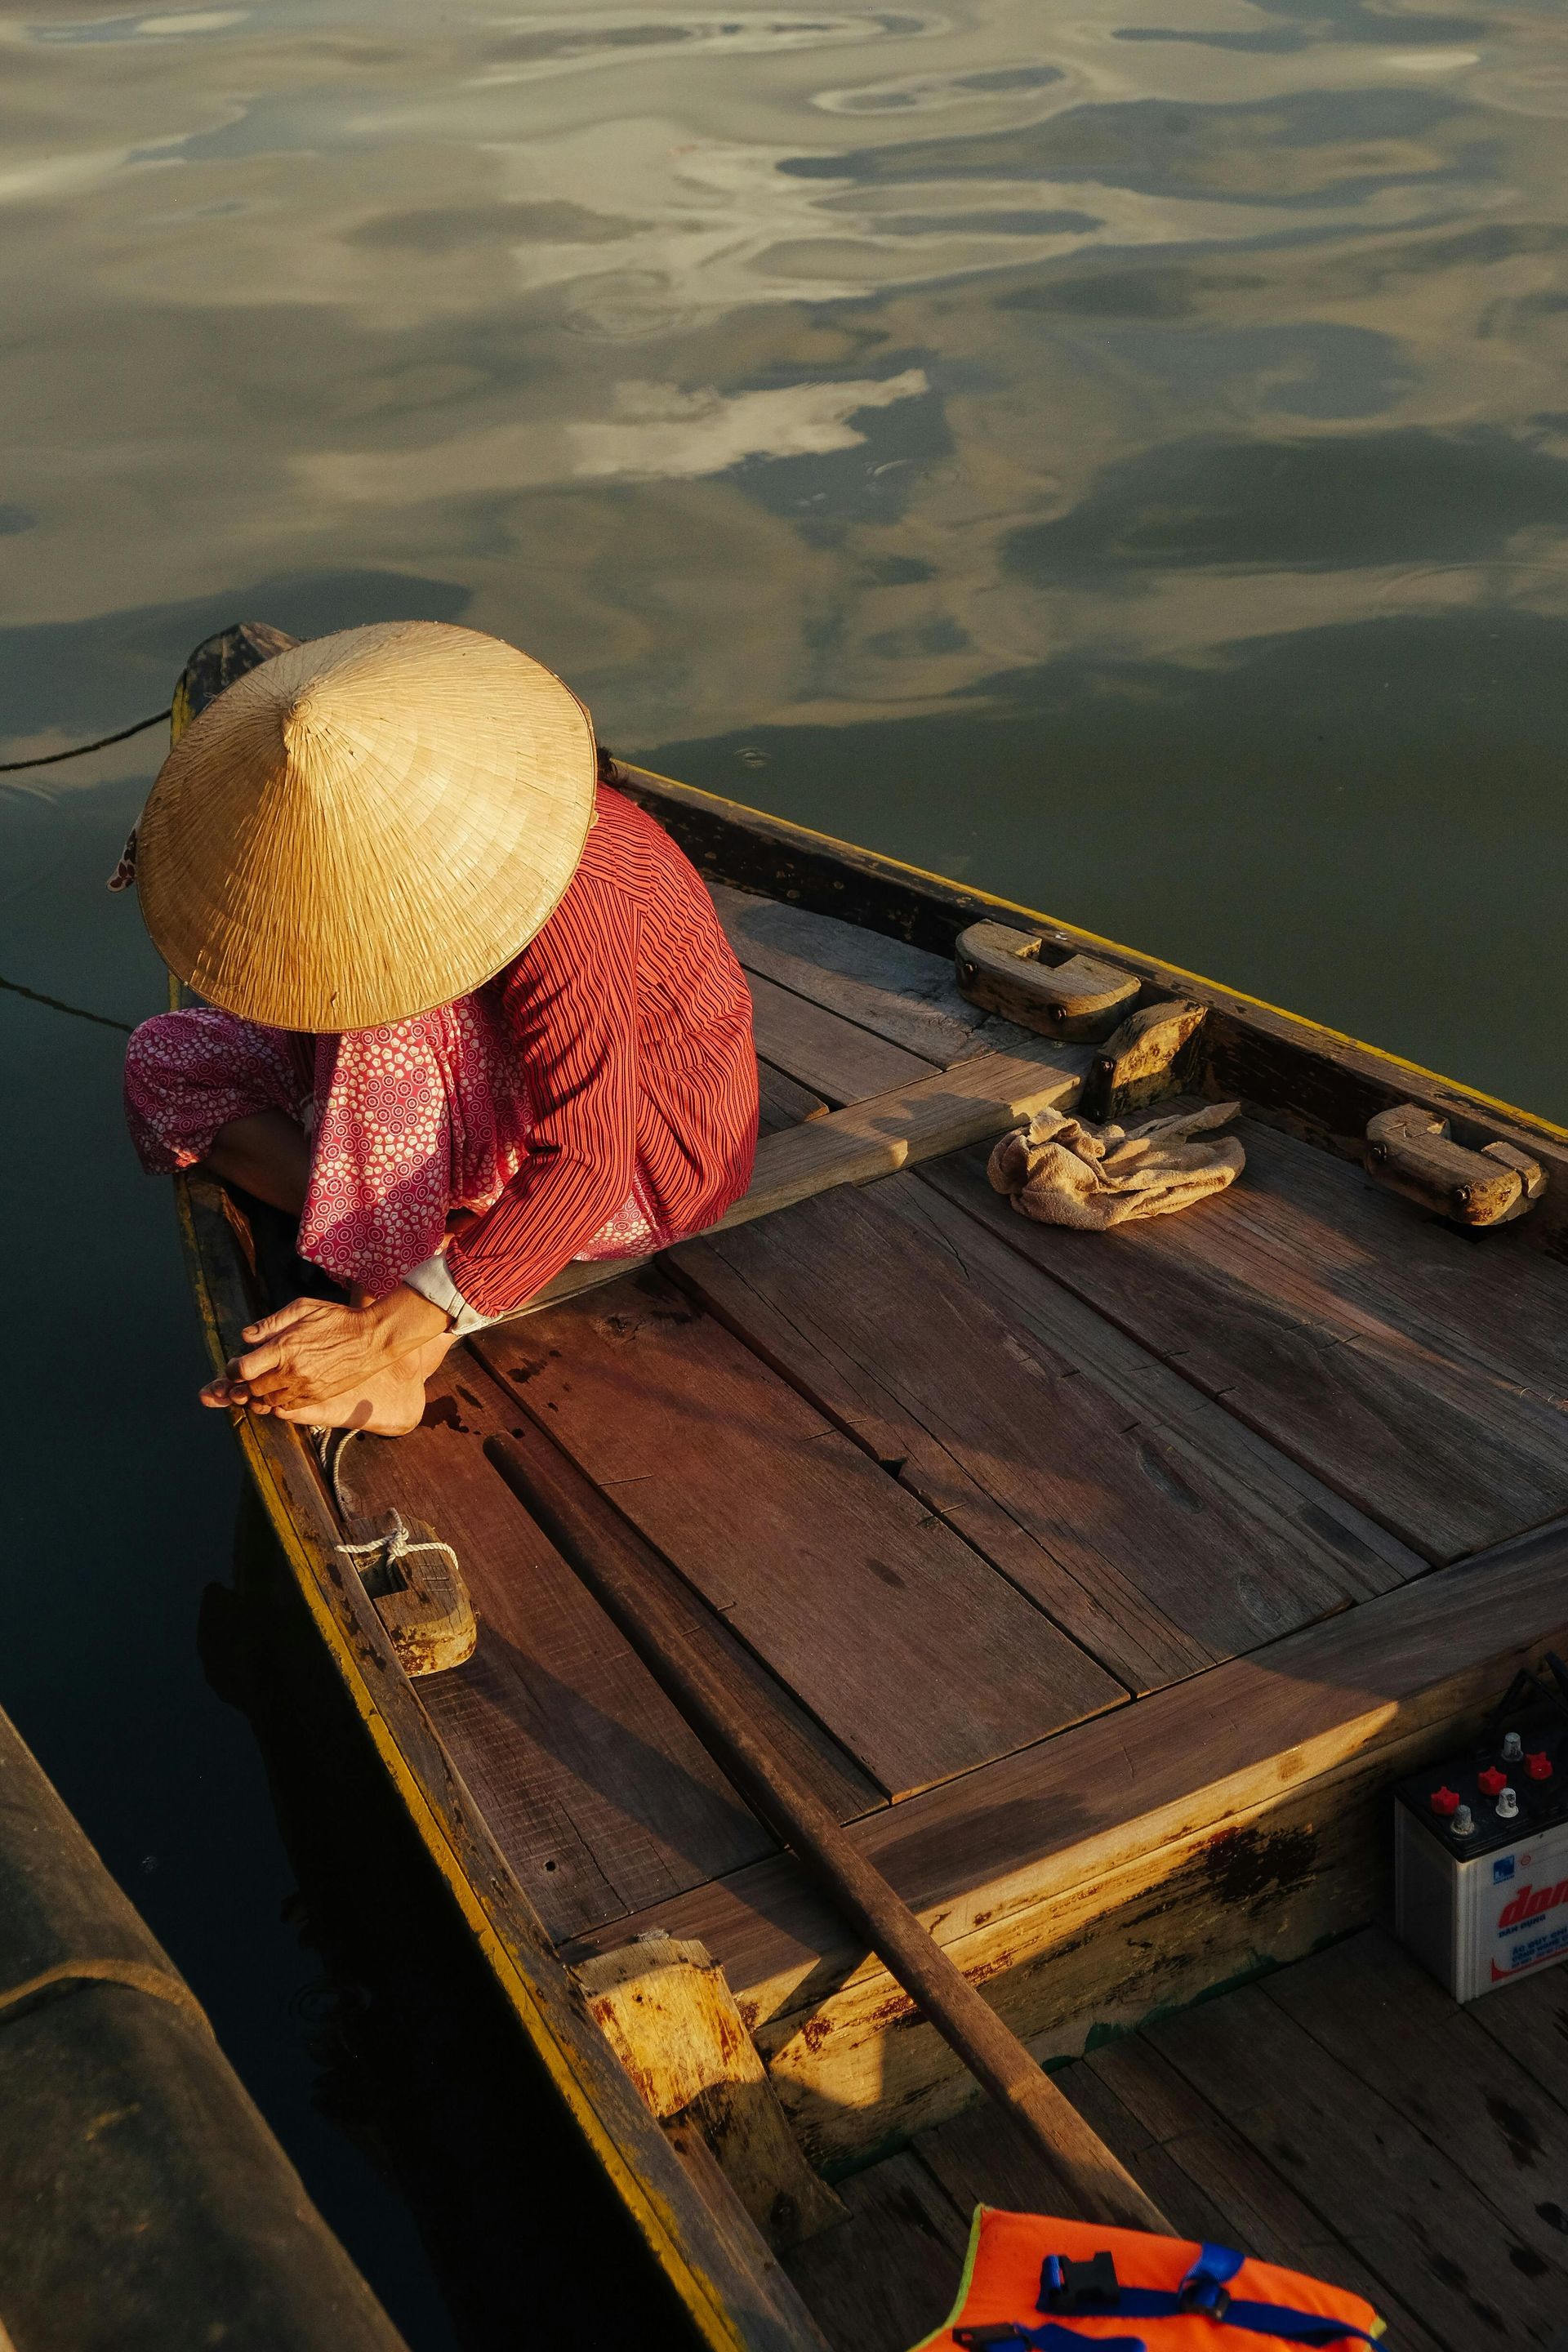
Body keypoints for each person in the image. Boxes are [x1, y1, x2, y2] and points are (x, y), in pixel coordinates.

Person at [122, 620, 759, 1434]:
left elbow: (591, 1161)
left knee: (379, 1017)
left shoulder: (575, 885)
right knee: (167, 1059)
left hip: (649, 1155)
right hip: (504, 1106)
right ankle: (415, 1226)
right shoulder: (397, 880)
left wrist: (380, 1333)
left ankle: (396, 1347)